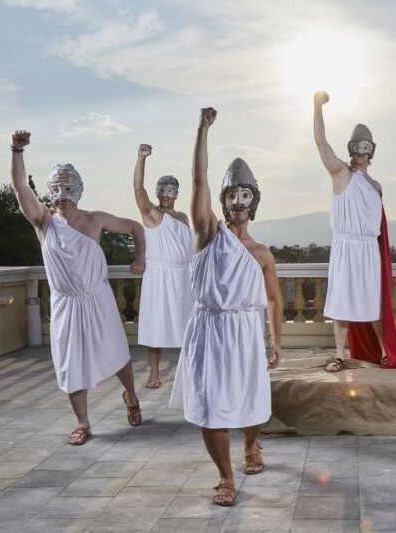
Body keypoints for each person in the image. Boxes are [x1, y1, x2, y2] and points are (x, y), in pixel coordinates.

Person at [170, 108, 282, 507]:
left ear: (254, 202)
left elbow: (273, 299)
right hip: (208, 329)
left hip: (246, 330)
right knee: (211, 406)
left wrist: (276, 341)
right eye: (232, 195)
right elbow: (199, 180)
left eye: (245, 195)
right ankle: (226, 476)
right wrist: (202, 130)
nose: (238, 202)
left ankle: (252, 446)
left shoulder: (262, 253)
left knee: (253, 401)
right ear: (223, 201)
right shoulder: (206, 234)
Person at [9, 129, 145, 446]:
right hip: (65, 303)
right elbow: (18, 187)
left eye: (68, 186)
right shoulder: (44, 221)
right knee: (70, 363)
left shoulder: (95, 220)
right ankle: (83, 422)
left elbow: (136, 227)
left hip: (97, 299)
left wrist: (142, 258)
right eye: (56, 187)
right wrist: (16, 150)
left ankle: (131, 394)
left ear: (78, 189)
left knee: (117, 354)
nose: (62, 192)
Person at [313, 90, 396, 372]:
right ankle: (340, 355)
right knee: (342, 303)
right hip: (346, 247)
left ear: (371, 150)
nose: (360, 152)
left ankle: (384, 351)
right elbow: (320, 143)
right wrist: (317, 107)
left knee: (373, 304)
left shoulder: (376, 186)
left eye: (365, 147)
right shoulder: (342, 175)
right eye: (356, 146)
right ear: (351, 148)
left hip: (368, 250)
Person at [132, 143, 193, 389]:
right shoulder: (152, 214)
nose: (167, 194)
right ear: (158, 192)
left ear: (177, 193)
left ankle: (188, 371)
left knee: (187, 324)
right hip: (159, 276)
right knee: (156, 325)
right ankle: (154, 373)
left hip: (183, 276)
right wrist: (141, 159)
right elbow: (137, 188)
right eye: (163, 190)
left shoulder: (183, 218)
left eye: (171, 190)